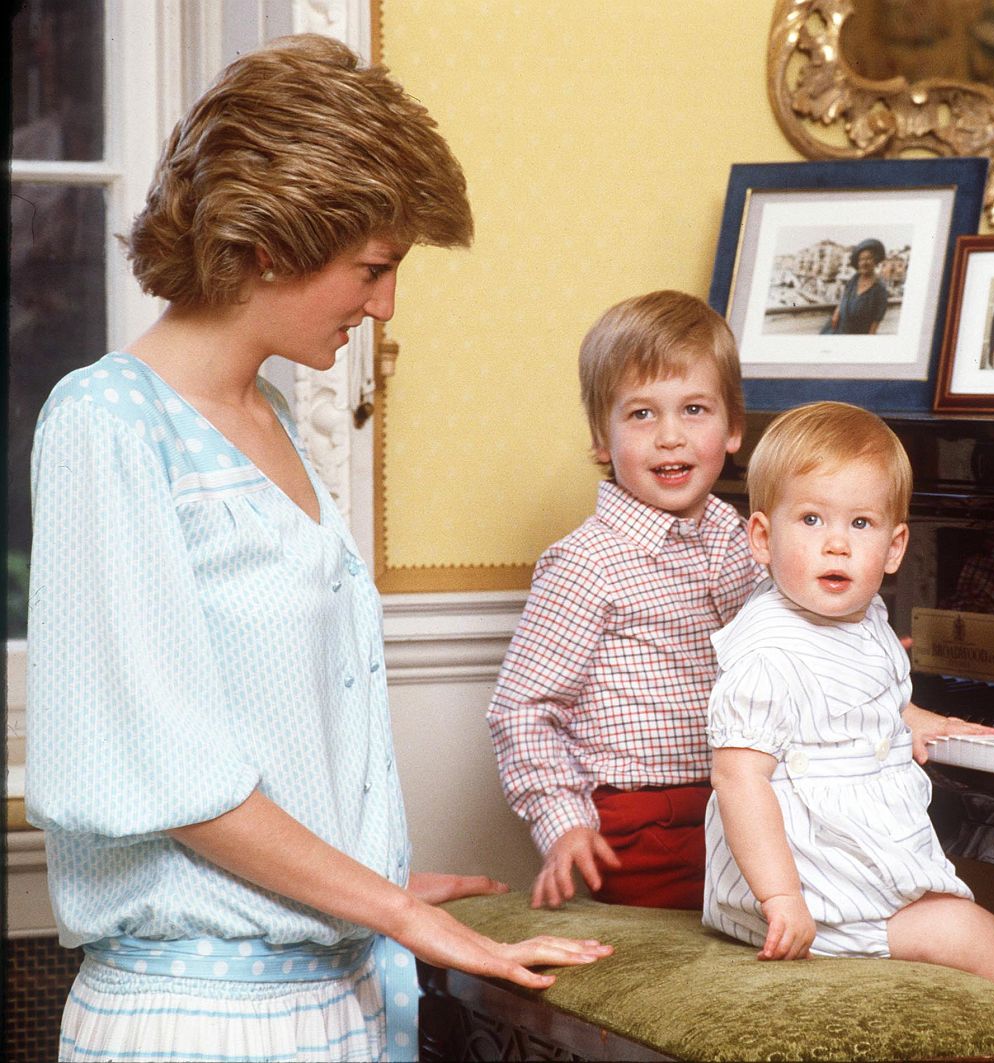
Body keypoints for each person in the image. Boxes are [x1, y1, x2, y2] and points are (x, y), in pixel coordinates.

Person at [25, 35, 610, 1063]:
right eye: (374, 269)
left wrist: (374, 887)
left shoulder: (275, 419)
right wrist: (393, 908)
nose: (385, 305)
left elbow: (280, 732)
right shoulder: (108, 422)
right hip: (205, 1024)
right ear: (266, 245)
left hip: (328, 998)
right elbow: (166, 777)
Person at [702, 401, 994, 993]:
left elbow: (874, 697)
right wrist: (782, 898)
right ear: (761, 537)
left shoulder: (866, 621)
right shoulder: (769, 657)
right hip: (815, 894)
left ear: (893, 547)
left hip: (855, 872)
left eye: (860, 524)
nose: (837, 544)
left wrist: (917, 718)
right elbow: (738, 781)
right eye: (811, 520)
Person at [487, 291, 756, 913]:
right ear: (602, 439)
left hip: (750, 800)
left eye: (694, 409)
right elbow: (521, 710)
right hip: (643, 820)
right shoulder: (585, 563)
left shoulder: (747, 544)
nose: (670, 437)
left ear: (733, 427)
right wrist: (564, 822)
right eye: (640, 415)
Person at [822, 238, 890, 335]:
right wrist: (836, 313)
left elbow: (876, 321)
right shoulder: (854, 279)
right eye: (861, 259)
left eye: (868, 258)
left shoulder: (880, 289)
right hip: (837, 328)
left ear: (875, 261)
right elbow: (844, 297)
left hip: (856, 334)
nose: (864, 263)